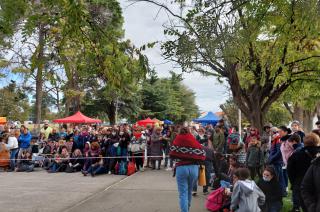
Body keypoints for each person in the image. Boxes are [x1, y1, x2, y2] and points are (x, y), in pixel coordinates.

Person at [170, 127, 206, 212]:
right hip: (194, 168)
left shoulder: (178, 139)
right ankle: (187, 209)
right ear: (189, 131)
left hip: (181, 168)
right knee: (189, 191)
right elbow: (203, 153)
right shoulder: (192, 139)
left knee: (183, 193)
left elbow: (171, 153)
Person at [288, 133, 320, 212]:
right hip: (317, 184)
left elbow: (290, 171)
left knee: (307, 207)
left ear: (304, 142)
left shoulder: (296, 155)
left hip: (301, 185)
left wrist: (294, 183)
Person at [268, 128, 285, 196]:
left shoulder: (278, 139)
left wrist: (271, 159)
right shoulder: (275, 139)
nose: (270, 133)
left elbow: (279, 152)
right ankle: (282, 191)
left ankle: (278, 192)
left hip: (276, 161)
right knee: (280, 177)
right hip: (276, 161)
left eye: (271, 132)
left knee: (277, 178)